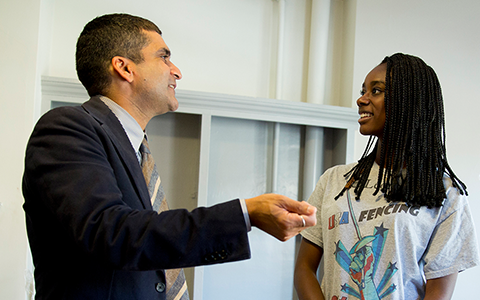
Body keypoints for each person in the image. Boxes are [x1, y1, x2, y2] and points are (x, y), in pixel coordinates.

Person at [22, 13, 317, 300]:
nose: (176, 71)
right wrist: (245, 213)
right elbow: (113, 233)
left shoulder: (135, 147)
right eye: (164, 57)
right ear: (124, 68)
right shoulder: (66, 127)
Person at [294, 53, 479, 300]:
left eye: (376, 90)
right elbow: (304, 268)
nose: (361, 99)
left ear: (408, 101)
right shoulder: (334, 181)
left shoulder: (443, 193)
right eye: (363, 90)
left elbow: (438, 293)